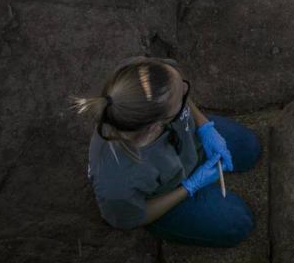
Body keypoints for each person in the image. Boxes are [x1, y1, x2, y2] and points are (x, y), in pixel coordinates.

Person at [74, 57, 262, 247]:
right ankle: (172, 220)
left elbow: (176, 89)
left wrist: (205, 126)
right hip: (164, 194)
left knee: (249, 148)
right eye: (181, 98)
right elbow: (131, 217)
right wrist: (189, 187)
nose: (186, 90)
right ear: (156, 127)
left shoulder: (138, 75)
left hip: (187, 141)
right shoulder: (116, 181)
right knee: (238, 224)